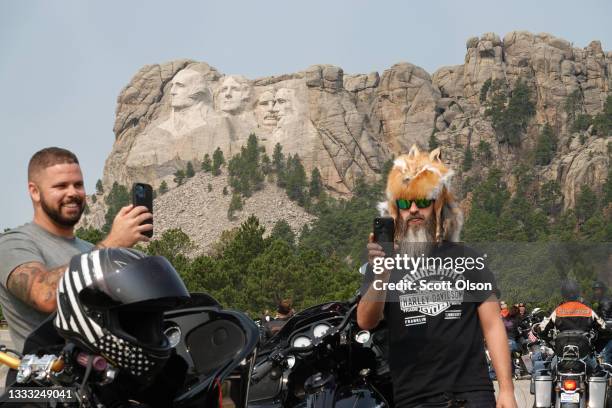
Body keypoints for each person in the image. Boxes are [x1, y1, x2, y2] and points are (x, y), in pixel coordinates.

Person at [357, 145, 517, 408]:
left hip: (471, 394)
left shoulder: (468, 258)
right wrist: (382, 275)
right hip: (414, 398)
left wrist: (507, 390)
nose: (414, 210)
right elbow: (366, 320)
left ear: (436, 205)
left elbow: (492, 324)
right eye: (405, 204)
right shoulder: (382, 264)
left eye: (422, 202)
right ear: (396, 211)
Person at [0, 147, 152, 353]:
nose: (72, 193)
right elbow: (44, 296)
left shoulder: (90, 250)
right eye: (61, 186)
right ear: (34, 191)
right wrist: (113, 244)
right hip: (44, 380)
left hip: (100, 376)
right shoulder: (13, 243)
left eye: (78, 184)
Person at [534, 280, 608, 374]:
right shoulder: (588, 310)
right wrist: (596, 347)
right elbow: (605, 329)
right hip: (584, 354)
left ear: (563, 294)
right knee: (598, 373)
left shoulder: (558, 311)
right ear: (578, 293)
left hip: (561, 353)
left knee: (549, 372)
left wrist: (549, 341)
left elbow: (541, 329)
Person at [591, 280, 612, 364]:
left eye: (598, 289)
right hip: (604, 333)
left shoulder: (606, 302)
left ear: (603, 290)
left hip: (608, 333)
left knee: (608, 356)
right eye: (595, 289)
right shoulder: (600, 302)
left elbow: (605, 319)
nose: (596, 292)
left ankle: (608, 373)